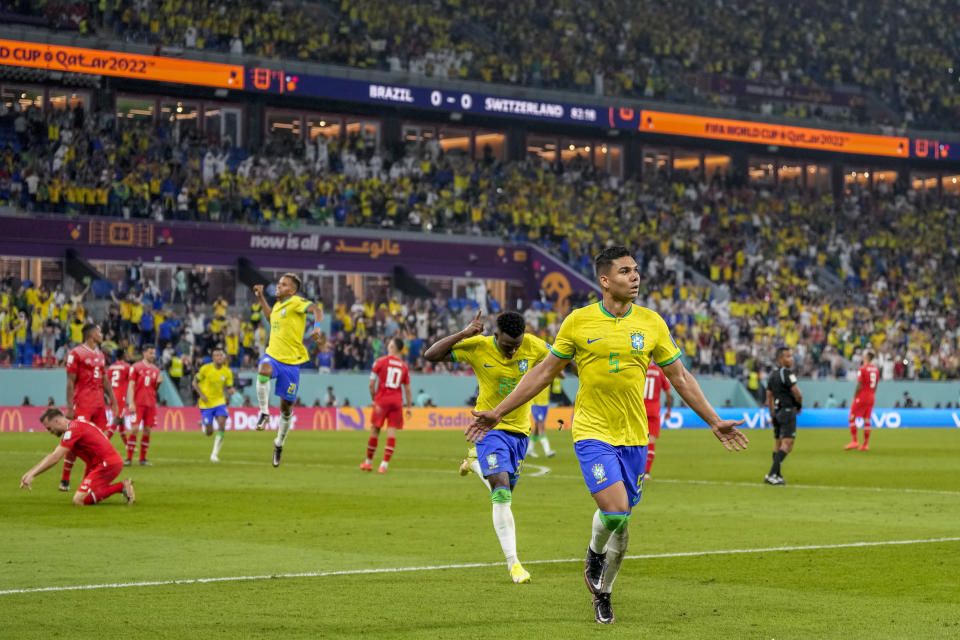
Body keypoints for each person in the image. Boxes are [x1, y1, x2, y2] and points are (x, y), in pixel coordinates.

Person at [466, 246, 748, 624]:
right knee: (615, 513)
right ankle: (594, 555)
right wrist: (497, 412)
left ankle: (604, 592)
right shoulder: (578, 323)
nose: (635, 277)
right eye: (626, 271)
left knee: (622, 521)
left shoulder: (651, 324)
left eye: (636, 270)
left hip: (634, 436)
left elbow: (679, 377)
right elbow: (544, 373)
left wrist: (714, 420)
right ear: (605, 280)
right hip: (591, 432)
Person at [424, 310, 550, 585]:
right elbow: (431, 356)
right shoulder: (478, 346)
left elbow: (563, 360)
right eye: (507, 346)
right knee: (502, 494)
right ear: (495, 336)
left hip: (520, 433)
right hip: (488, 428)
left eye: (517, 346)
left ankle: (475, 465)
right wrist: (463, 334)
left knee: (503, 491)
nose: (512, 351)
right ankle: (514, 564)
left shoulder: (534, 345)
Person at [253, 274, 322, 467]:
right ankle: (264, 412)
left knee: (286, 409)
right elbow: (269, 316)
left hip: (291, 364)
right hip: (273, 356)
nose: (278, 286)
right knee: (263, 370)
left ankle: (279, 443)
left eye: (283, 285)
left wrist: (316, 327)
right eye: (278, 283)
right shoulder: (278, 306)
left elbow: (316, 309)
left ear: (291, 290)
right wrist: (260, 297)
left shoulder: (296, 302)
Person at [20, 408, 134, 506]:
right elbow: (54, 455)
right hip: (103, 464)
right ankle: (118, 487)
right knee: (88, 496)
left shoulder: (74, 429)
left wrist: (33, 474)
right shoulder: (76, 426)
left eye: (49, 428)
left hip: (107, 464)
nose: (50, 432)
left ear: (56, 421)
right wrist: (30, 472)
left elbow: (55, 457)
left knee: (79, 500)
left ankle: (121, 486)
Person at [61, 323, 119, 492]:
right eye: (100, 331)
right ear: (91, 334)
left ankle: (88, 482)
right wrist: (70, 407)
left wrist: (113, 400)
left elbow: (104, 379)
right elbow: (70, 382)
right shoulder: (75, 354)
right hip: (83, 404)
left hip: (99, 405)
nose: (102, 334)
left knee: (100, 443)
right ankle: (65, 478)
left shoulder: (101, 355)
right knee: (75, 440)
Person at [361, 337, 412, 473]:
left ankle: (368, 462)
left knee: (375, 431)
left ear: (391, 347)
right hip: (396, 401)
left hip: (382, 400)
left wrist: (374, 398)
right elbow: (407, 389)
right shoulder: (404, 366)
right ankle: (384, 465)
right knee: (391, 433)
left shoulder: (380, 362)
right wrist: (409, 407)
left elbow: (371, 384)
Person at [765, 347, 802, 485]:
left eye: (791, 356)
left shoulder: (772, 375)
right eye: (787, 356)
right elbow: (798, 393)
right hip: (787, 410)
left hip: (776, 412)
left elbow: (769, 396)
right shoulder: (787, 373)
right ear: (780, 359)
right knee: (788, 444)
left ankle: (777, 474)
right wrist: (799, 406)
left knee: (778, 444)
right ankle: (772, 474)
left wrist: (771, 414)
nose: (791, 359)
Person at [193, 348, 235, 462]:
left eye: (221, 355)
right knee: (209, 433)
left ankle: (214, 454)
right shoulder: (205, 369)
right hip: (206, 403)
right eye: (217, 355)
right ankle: (204, 425)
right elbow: (194, 382)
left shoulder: (227, 372)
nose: (219, 357)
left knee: (222, 424)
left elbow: (229, 386)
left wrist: (230, 392)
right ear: (213, 358)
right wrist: (201, 395)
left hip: (219, 402)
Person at [128, 345, 162, 465]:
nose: (153, 355)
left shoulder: (156, 370)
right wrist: (131, 402)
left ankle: (142, 459)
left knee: (147, 430)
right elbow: (131, 385)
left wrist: (159, 384)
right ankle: (129, 458)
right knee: (135, 429)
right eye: (150, 353)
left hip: (151, 404)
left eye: (154, 353)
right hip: (138, 403)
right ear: (144, 353)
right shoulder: (136, 367)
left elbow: (154, 389)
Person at [642, 362, 673, 479]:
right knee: (651, 442)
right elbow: (669, 394)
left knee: (636, 442)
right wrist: (669, 410)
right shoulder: (659, 372)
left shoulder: (640, 369)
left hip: (639, 410)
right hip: (654, 411)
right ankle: (646, 473)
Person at [846, 350, 879, 451]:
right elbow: (876, 385)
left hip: (862, 396)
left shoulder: (862, 369)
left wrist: (855, 397)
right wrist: (872, 394)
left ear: (866, 357)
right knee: (867, 420)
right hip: (871, 396)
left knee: (851, 417)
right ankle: (865, 444)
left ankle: (854, 441)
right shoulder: (876, 370)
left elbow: (859, 384)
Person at [106, 354, 134, 446]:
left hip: (112, 396)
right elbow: (133, 378)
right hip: (120, 397)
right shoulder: (126, 367)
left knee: (121, 421)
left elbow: (106, 381)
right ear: (124, 357)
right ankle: (105, 441)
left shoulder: (111, 367)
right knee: (117, 419)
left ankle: (127, 444)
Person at [527, 375, 557, 458]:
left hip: (544, 405)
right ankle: (547, 451)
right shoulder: (535, 374)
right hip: (536, 405)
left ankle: (530, 449)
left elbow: (563, 376)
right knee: (541, 426)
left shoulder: (548, 372)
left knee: (536, 429)